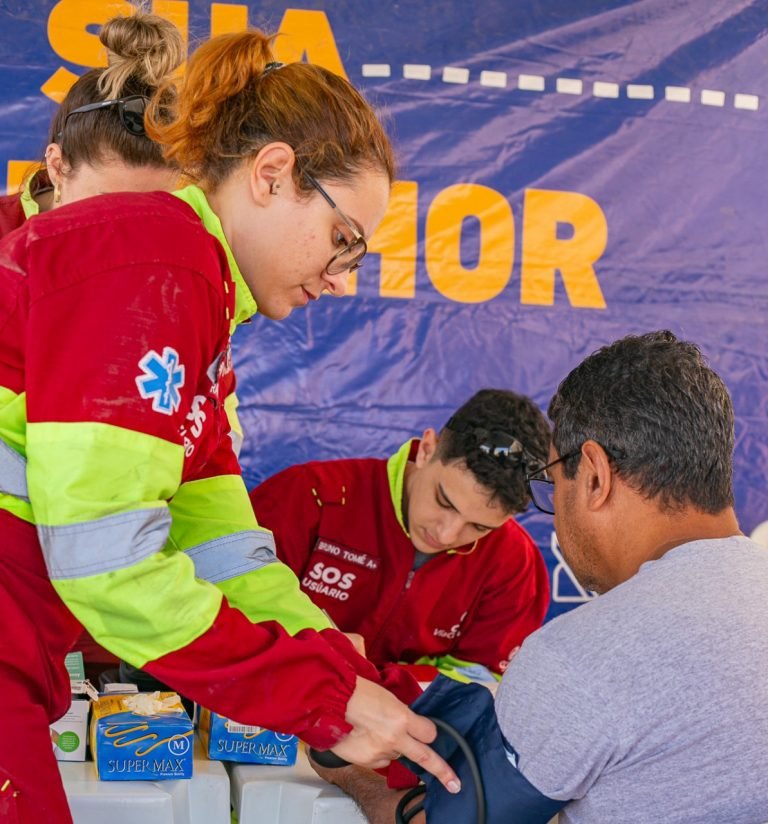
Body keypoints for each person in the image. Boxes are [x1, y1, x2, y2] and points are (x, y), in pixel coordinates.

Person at [0, 29, 460, 824]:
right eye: (344, 239)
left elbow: (226, 550)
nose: (343, 280)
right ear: (272, 173)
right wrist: (322, 695)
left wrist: (334, 664)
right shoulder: (157, 259)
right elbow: (109, 568)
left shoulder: (198, 314)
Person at [310, 331, 768, 824]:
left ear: (593, 475)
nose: (448, 533)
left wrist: (340, 766)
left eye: (552, 483)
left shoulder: (583, 655)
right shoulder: (318, 493)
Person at [250, 388, 551, 684]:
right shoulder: (308, 496)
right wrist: (315, 650)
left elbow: (480, 685)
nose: (446, 534)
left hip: (410, 727)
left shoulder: (514, 563)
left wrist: (371, 680)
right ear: (427, 450)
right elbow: (232, 618)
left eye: (479, 528)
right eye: (443, 501)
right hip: (270, 720)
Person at [0, 7, 182, 235]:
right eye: (104, 207)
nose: (124, 230)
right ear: (57, 166)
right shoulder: (5, 230)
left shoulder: (184, 236)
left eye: (152, 209)